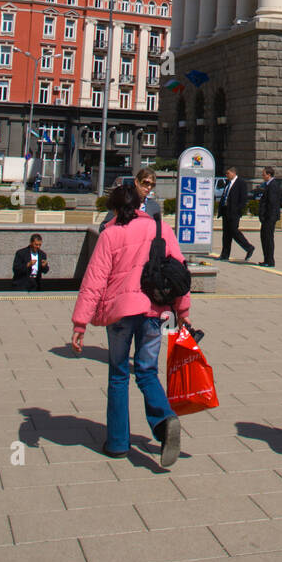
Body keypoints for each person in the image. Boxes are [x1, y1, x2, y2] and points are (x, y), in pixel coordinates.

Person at [72, 183, 190, 466]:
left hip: (120, 314)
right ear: (140, 204)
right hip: (154, 311)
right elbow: (179, 270)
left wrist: (80, 324)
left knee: (118, 374)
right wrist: (183, 310)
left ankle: (117, 443)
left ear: (114, 208)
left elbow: (94, 281)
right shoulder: (160, 229)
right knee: (147, 371)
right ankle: (164, 420)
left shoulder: (110, 234)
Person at [217, 165, 254, 262]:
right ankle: (225, 254)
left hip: (234, 213)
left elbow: (243, 199)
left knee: (234, 231)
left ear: (233, 173)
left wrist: (237, 210)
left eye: (228, 173)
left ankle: (248, 247)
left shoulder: (241, 183)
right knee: (226, 234)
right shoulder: (228, 183)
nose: (226, 175)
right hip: (226, 211)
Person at [257, 165, 282, 267]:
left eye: (263, 174)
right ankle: (266, 259)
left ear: (269, 174)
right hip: (268, 217)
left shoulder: (272, 185)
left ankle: (270, 261)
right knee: (264, 238)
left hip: (269, 217)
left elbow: (272, 203)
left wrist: (266, 217)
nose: (262, 176)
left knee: (268, 239)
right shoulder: (269, 184)